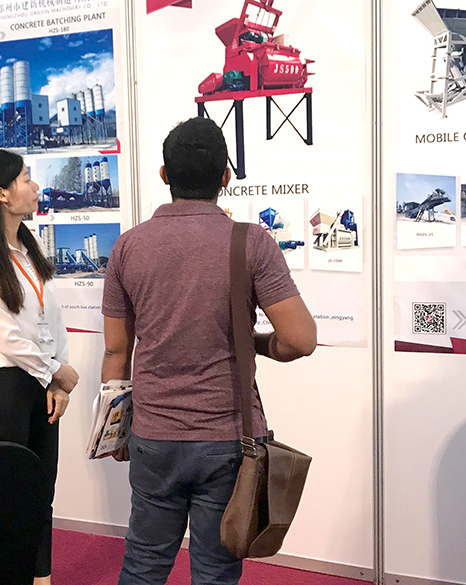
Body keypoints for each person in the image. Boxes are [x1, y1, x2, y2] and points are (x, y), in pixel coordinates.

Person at [101, 117, 317, 585]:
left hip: (153, 435)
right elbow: (300, 340)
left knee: (143, 564)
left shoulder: (128, 246)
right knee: (216, 570)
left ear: (164, 174)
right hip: (227, 439)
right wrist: (252, 342)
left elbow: (116, 353)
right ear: (225, 177)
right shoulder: (252, 242)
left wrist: (113, 432)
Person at [0, 149, 79, 585]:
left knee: (41, 493)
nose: (36, 186)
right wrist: (55, 372)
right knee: (6, 498)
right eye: (26, 178)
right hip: (4, 388)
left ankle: (41, 579)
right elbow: (6, 336)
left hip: (41, 382)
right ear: (3, 194)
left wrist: (58, 377)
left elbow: (51, 317)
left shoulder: (28, 246)